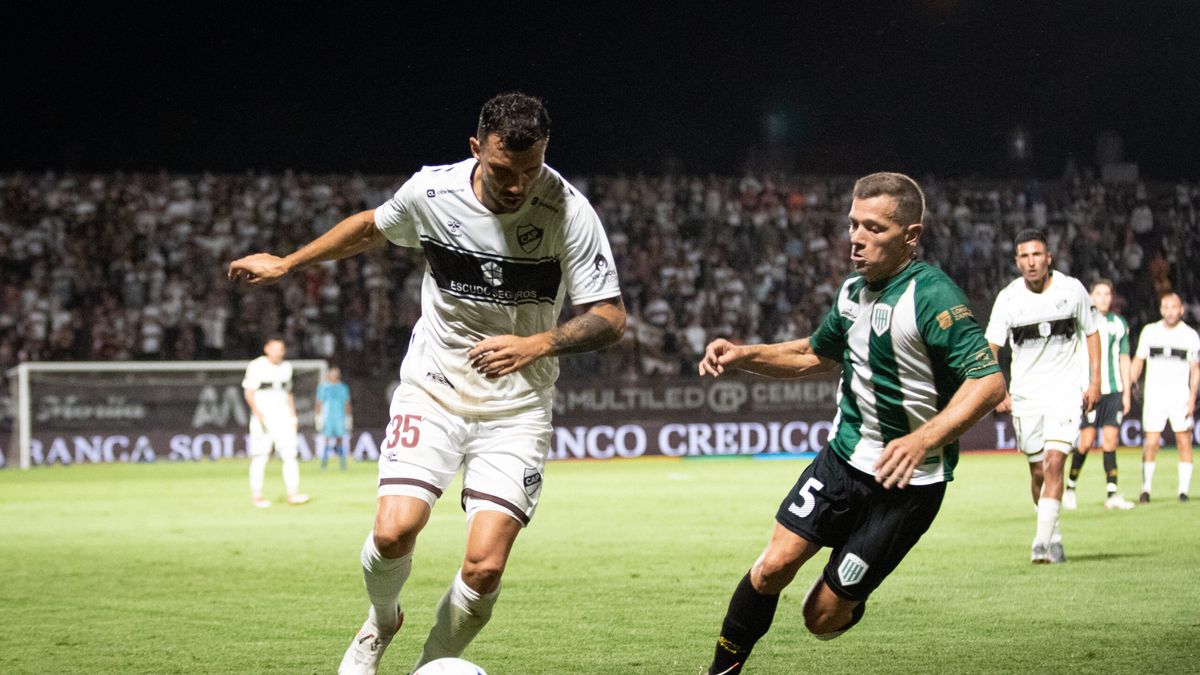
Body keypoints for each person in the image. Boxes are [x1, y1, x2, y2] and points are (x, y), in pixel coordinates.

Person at [228, 92, 625, 675]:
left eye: (530, 169)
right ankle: (381, 618)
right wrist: (288, 264)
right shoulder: (431, 192)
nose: (517, 185)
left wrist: (536, 344)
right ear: (475, 150)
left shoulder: (569, 211)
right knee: (394, 533)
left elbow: (610, 316)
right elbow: (370, 228)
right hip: (434, 387)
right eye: (502, 170)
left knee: (485, 567)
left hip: (518, 406)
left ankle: (432, 667)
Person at [698, 173, 1005, 675]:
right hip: (842, 461)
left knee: (820, 618)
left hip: (907, 485)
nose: (856, 239)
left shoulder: (932, 297)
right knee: (771, 566)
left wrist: (922, 438)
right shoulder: (851, 293)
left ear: (910, 236)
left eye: (874, 228)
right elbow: (814, 354)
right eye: (853, 226)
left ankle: (846, 590)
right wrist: (743, 354)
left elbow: (988, 382)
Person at [986, 230, 1100, 563]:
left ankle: (1039, 543)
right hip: (1026, 397)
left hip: (1064, 392)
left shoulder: (1071, 289)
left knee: (1054, 464)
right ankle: (1055, 536)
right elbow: (990, 347)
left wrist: (1093, 383)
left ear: (1048, 257)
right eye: (1025, 256)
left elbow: (1092, 333)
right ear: (1017, 261)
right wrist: (997, 391)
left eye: (1037, 255)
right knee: (1037, 472)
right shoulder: (1008, 298)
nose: (1031, 262)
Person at [1066, 279, 1136, 510]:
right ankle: (1070, 488)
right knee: (1085, 443)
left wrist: (1126, 392)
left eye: (1107, 293)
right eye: (1099, 293)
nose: (1104, 298)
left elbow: (1124, 359)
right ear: (1091, 296)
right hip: (1088, 392)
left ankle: (1112, 493)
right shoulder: (1082, 321)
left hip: (1113, 390)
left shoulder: (1119, 324)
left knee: (1110, 441)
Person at [1130, 293, 1200, 503]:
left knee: (1183, 441)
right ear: (1161, 310)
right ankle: (1146, 489)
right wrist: (1132, 381)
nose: (1170, 311)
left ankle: (1183, 492)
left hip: (1179, 396)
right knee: (1151, 442)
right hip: (1154, 396)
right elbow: (1138, 360)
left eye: (1174, 307)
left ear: (1181, 310)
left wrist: (1192, 398)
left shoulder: (1190, 336)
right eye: (1166, 307)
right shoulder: (1150, 331)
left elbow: (1195, 369)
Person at [242, 337, 310, 507]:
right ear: (266, 349)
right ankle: (257, 496)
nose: (278, 352)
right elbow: (249, 393)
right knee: (260, 455)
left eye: (280, 349)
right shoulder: (256, 366)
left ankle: (292, 493)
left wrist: (293, 416)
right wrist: (258, 414)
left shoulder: (286, 368)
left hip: (283, 417)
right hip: (264, 417)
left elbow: (288, 394)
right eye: (274, 348)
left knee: (290, 455)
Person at [316, 366, 353, 471]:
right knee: (326, 440)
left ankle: (342, 464)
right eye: (331, 374)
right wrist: (318, 416)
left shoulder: (343, 387)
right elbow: (319, 402)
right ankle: (324, 464)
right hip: (327, 418)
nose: (333, 376)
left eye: (335, 374)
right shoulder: (323, 387)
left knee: (340, 441)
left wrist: (349, 417)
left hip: (339, 418)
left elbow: (347, 403)